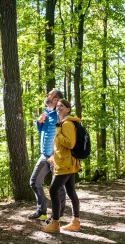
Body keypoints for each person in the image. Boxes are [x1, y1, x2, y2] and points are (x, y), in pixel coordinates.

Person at [42, 99, 81, 233]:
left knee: (53, 190)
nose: (59, 108)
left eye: (62, 106)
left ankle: (55, 223)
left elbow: (70, 144)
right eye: (58, 106)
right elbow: (61, 147)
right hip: (65, 163)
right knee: (70, 191)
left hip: (66, 164)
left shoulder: (67, 124)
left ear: (68, 109)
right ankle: (75, 222)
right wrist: (53, 158)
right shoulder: (61, 124)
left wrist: (58, 133)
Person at [28, 88, 66, 220]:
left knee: (58, 188)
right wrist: (39, 123)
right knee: (34, 182)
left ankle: (59, 215)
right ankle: (42, 211)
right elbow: (43, 133)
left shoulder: (59, 115)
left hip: (56, 157)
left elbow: (66, 136)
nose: (46, 95)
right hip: (44, 155)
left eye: (49, 94)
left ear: (55, 99)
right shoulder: (47, 113)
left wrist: (56, 155)